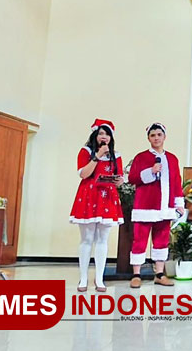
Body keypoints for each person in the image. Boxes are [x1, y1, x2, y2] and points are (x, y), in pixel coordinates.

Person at [127, 123, 185, 288]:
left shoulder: (172, 159)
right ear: (148, 138)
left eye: (159, 135)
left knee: (161, 240)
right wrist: (151, 171)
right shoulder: (141, 157)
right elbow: (132, 178)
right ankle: (136, 274)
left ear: (164, 137)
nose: (156, 138)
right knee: (139, 240)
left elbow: (176, 182)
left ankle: (159, 274)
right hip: (145, 206)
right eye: (153, 135)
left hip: (165, 207)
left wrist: (178, 203)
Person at [69, 119, 124, 292]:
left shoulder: (116, 155)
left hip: (107, 197)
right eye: (101, 133)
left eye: (107, 134)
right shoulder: (85, 152)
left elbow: (120, 180)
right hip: (89, 197)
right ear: (95, 135)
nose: (104, 137)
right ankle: (83, 279)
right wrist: (98, 155)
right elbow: (84, 173)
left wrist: (118, 180)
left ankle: (99, 279)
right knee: (86, 239)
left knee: (103, 240)